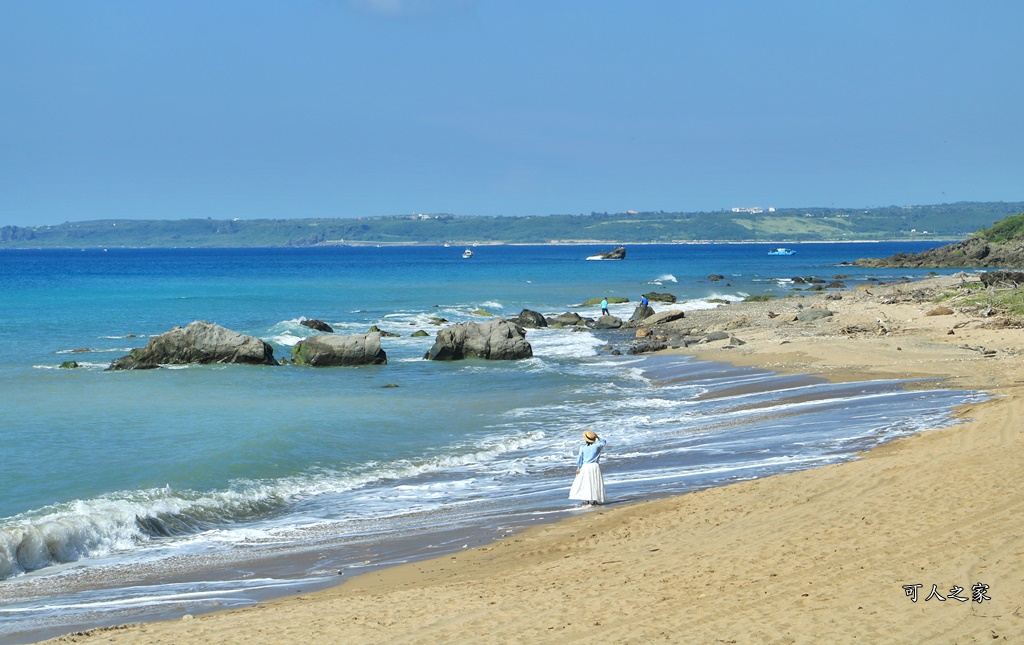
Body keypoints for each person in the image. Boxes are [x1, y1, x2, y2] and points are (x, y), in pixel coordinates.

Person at [569, 430, 606, 506]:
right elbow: (604, 441)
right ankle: (596, 500)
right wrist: (597, 437)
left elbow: (580, 459)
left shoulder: (582, 447)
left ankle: (587, 500)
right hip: (595, 466)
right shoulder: (597, 446)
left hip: (586, 466)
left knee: (586, 483)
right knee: (595, 482)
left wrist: (578, 468)